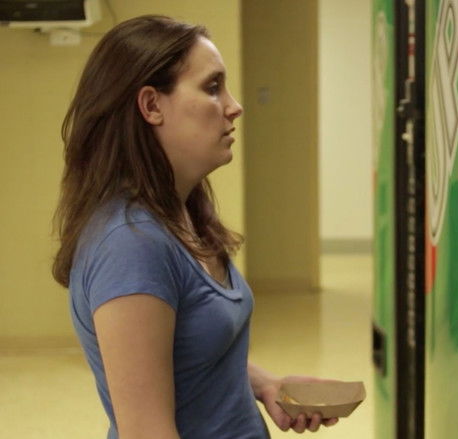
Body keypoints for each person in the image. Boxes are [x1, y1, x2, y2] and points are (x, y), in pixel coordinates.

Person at [52, 15, 338, 438]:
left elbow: (186, 352)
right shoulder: (130, 246)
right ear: (151, 106)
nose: (234, 106)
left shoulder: (182, 211)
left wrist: (265, 384)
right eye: (212, 87)